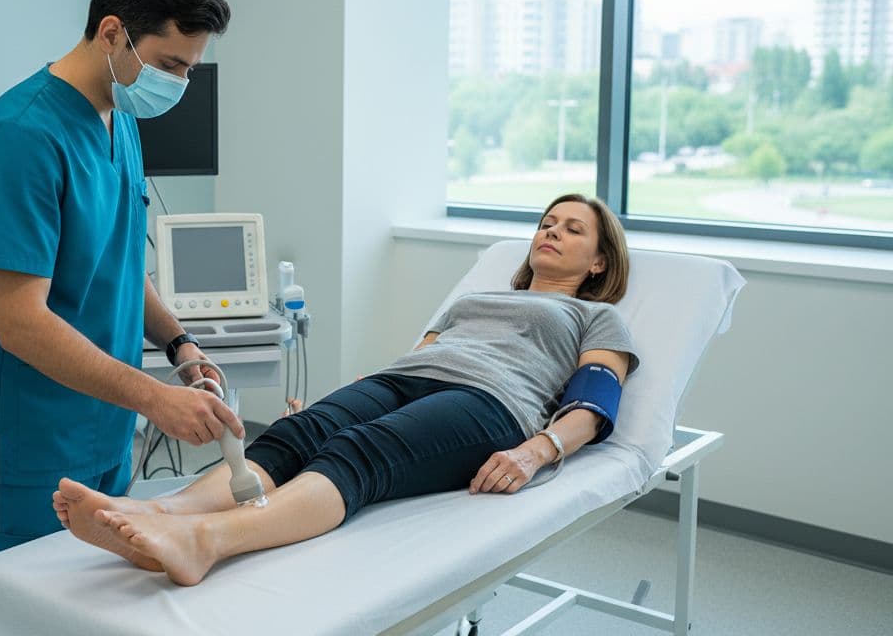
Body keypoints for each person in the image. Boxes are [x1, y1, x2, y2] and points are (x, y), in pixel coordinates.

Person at [54, 193, 640, 585]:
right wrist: (341, 399)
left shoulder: (596, 317)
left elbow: (592, 404)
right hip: (408, 380)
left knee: (360, 451)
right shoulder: (472, 299)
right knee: (297, 433)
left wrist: (536, 452)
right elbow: (420, 358)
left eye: (572, 229)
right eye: (545, 223)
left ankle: (205, 541)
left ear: (597, 261)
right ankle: (157, 511)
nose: (550, 232)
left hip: (492, 402)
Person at [0, 0, 240, 566]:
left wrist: (180, 345)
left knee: (99, 604)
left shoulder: (117, 120)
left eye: (189, 71)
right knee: (25, 612)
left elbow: (119, 261)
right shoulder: (19, 138)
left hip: (105, 429)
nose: (178, 85)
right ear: (112, 33)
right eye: (170, 64)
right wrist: (156, 400)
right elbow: (20, 323)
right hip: (29, 440)